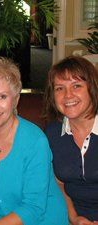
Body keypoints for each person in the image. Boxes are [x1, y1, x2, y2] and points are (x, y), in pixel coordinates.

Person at [0, 57, 68, 225]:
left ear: (15, 100)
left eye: (2, 96)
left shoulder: (35, 141)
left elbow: (34, 207)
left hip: (39, 220)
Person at [43, 56, 98, 225]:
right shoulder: (52, 134)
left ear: (93, 89)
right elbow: (58, 183)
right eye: (60, 88)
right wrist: (74, 217)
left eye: (76, 86)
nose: (68, 95)